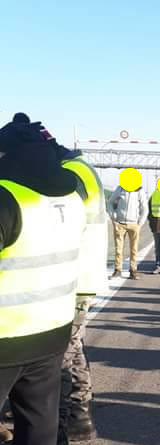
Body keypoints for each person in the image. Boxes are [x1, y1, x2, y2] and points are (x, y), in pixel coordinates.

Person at [0, 116, 86, 445]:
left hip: (5, 337)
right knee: (39, 429)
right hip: (51, 334)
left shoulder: (6, 197)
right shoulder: (71, 197)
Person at [57, 140, 109, 444]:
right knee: (73, 346)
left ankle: (70, 417)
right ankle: (79, 414)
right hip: (82, 273)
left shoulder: (70, 174)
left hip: (72, 276)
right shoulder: (83, 169)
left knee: (66, 349)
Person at [108, 181, 148, 280]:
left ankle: (133, 271)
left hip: (134, 224)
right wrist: (113, 216)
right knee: (118, 249)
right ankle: (117, 270)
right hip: (120, 223)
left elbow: (144, 208)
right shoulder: (120, 188)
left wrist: (140, 223)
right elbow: (110, 202)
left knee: (134, 249)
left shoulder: (139, 190)